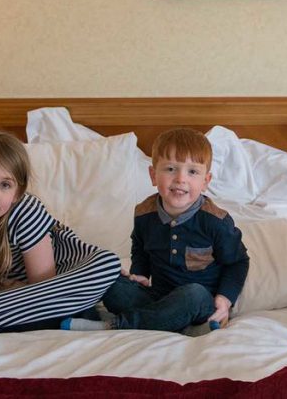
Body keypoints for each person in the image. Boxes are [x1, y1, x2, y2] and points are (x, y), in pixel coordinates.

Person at [0, 131, 121, 337]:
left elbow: (44, 287)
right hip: (18, 297)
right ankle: (62, 318)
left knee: (107, 265)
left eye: (5, 185)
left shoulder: (26, 209)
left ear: (17, 193)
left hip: (58, 277)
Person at [62, 128, 249, 334]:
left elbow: (238, 262)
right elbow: (140, 248)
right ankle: (160, 320)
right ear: (153, 175)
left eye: (192, 171)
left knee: (192, 294)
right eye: (170, 169)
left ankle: (116, 325)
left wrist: (224, 299)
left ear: (205, 181)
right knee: (109, 280)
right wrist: (139, 274)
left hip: (198, 302)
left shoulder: (215, 221)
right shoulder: (144, 214)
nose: (180, 179)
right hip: (157, 296)